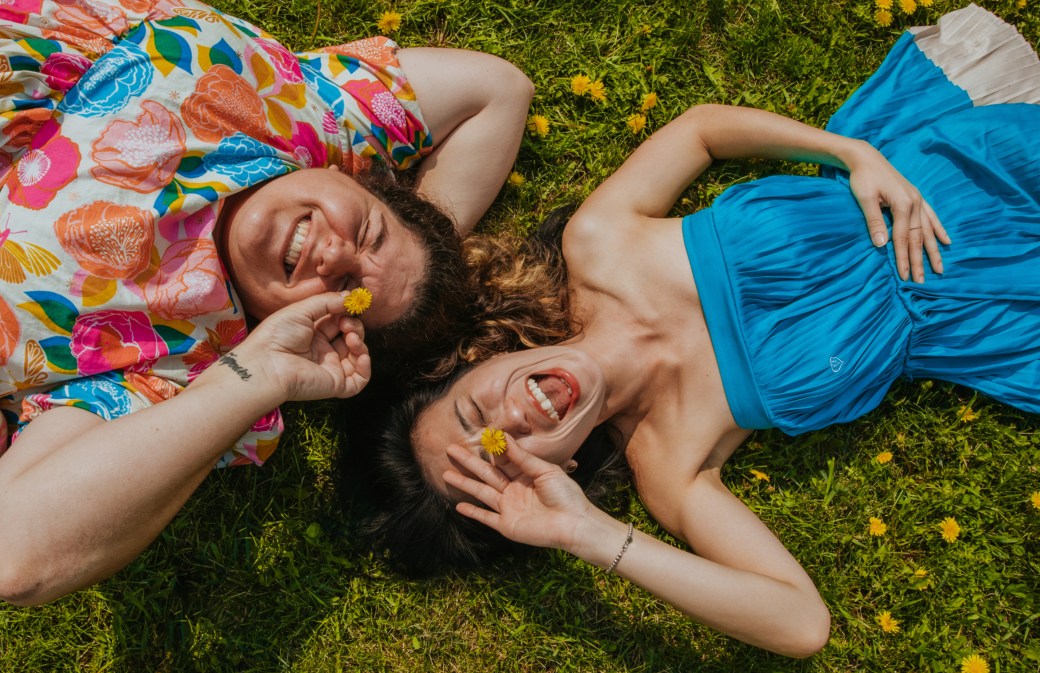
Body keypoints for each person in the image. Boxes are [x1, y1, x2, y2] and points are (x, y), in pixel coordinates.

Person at [0, 0, 531, 659]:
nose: (337, 254)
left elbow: (17, 557)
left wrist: (259, 375)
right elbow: (499, 89)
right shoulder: (306, 117)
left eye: (347, 294)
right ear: (364, 177)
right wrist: (422, 261)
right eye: (372, 230)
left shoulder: (174, 365)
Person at [355, 5, 1040, 658]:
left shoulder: (598, 248)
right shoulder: (671, 464)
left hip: (950, 157)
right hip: (1001, 308)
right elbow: (801, 623)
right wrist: (590, 534)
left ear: (478, 363)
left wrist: (851, 153)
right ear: (556, 473)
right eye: (505, 457)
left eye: (478, 412)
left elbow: (701, 130)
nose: (514, 417)